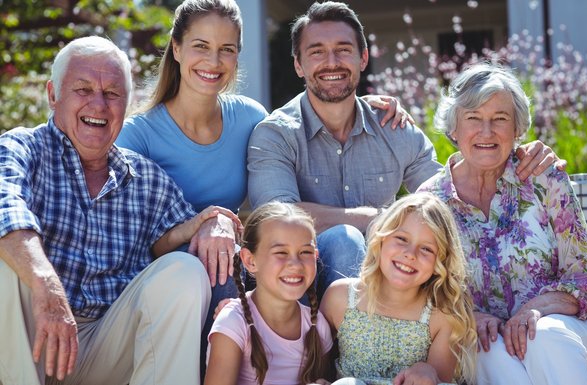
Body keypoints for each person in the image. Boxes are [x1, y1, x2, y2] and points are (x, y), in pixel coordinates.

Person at [247, 1, 562, 300]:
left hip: (393, 282)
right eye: (317, 52)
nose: (332, 63)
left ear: (363, 58)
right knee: (344, 239)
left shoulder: (394, 128)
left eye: (343, 50)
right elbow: (275, 220)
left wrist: (514, 154)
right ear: (299, 65)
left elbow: (448, 199)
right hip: (297, 282)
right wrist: (373, 219)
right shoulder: (276, 134)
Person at [116, 0, 414, 313]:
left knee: (314, 249)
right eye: (200, 46)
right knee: (218, 260)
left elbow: (302, 119)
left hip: (234, 256)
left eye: (227, 49)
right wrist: (200, 225)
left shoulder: (249, 117)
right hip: (172, 274)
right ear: (176, 48)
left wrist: (355, 103)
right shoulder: (136, 135)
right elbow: (132, 241)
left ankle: (330, 355)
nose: (213, 61)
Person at [0, 36, 241, 385]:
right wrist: (48, 288)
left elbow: (183, 229)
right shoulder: (20, 147)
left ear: (127, 105)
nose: (98, 105)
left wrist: (212, 223)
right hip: (27, 339)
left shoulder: (146, 180)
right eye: (83, 89)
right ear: (53, 95)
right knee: (7, 254)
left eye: (112, 94)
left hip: (105, 344)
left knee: (184, 270)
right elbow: (5, 204)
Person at [418, 62, 587, 385]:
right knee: (487, 353)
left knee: (543, 337)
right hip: (484, 341)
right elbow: (421, 295)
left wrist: (536, 309)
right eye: (473, 118)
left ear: (517, 128)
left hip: (565, 330)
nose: (486, 132)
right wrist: (468, 317)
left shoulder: (544, 177)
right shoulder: (431, 202)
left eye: (499, 119)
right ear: (453, 129)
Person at [319, 193, 477, 385]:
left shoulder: (442, 315)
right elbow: (317, 370)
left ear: (441, 260)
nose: (410, 254)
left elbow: (440, 379)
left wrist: (427, 371)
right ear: (381, 238)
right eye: (401, 238)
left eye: (426, 249)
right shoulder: (340, 297)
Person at [205, 202, 333, 385]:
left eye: (305, 252)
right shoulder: (233, 322)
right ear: (250, 261)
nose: (295, 264)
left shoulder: (317, 325)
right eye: (281, 252)